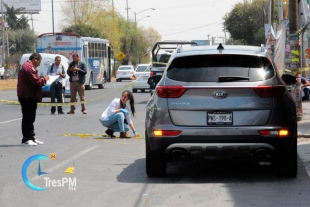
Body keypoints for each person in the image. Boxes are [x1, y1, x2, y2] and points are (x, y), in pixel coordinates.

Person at [17, 53, 50, 146]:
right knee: (27, 118)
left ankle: (31, 137)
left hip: (31, 95)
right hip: (27, 96)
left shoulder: (29, 66)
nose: (39, 64)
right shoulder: (28, 67)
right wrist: (45, 79)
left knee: (31, 118)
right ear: (35, 59)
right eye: (39, 61)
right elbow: (36, 81)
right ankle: (26, 139)